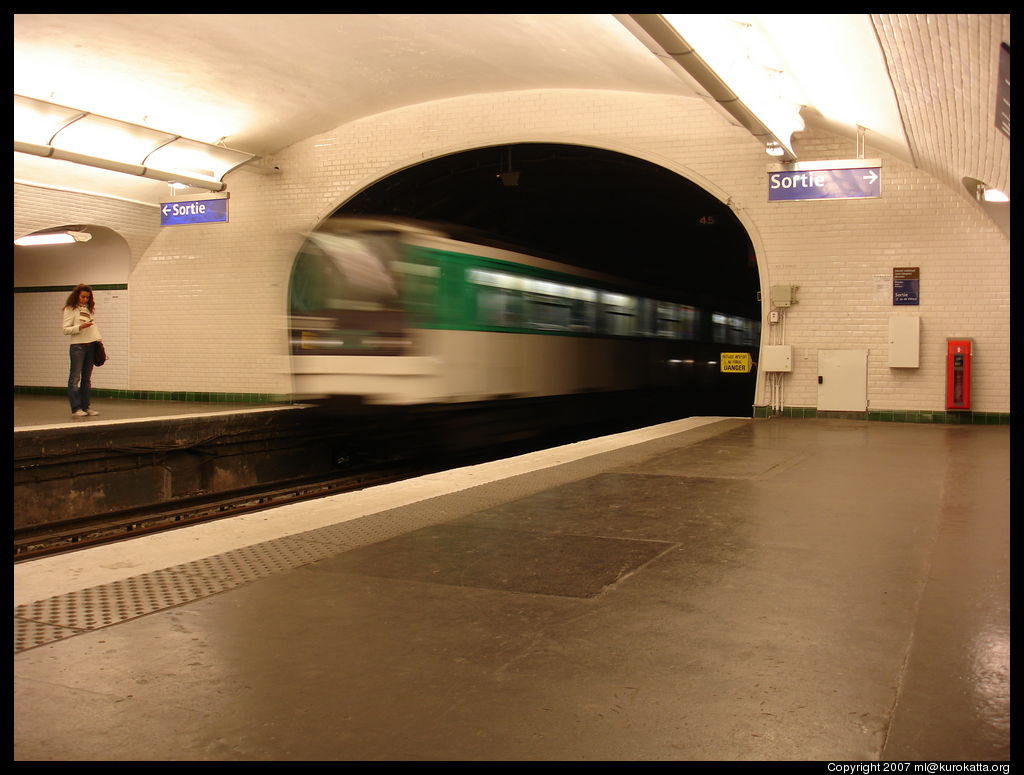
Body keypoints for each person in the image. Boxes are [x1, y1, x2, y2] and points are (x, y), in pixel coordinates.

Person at [62, 284, 103, 417]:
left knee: (87, 379)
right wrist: (80, 327)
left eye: (87, 297)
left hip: (91, 345)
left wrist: (98, 340)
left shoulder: (88, 309)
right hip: (78, 346)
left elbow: (93, 327)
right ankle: (76, 408)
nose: (85, 299)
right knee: (75, 377)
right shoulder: (70, 309)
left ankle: (86, 407)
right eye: (83, 297)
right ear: (77, 296)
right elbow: (65, 329)